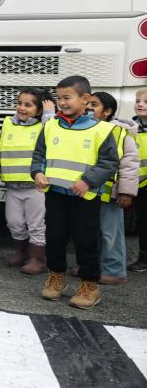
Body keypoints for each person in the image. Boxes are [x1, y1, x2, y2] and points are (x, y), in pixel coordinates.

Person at [31, 75, 119, 310]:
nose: (62, 102)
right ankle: (56, 276)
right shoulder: (49, 125)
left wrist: (88, 182)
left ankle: (90, 286)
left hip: (85, 198)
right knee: (55, 238)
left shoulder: (103, 129)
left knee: (86, 241)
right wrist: (37, 173)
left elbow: (109, 162)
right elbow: (39, 154)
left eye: (67, 98)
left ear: (86, 99)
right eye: (59, 98)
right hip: (56, 194)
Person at [0, 88, 55, 274]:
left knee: (36, 225)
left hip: (35, 187)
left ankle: (37, 259)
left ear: (39, 111)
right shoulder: (9, 124)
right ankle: (21, 252)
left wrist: (49, 115)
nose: (21, 108)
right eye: (19, 103)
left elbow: (52, 134)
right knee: (14, 222)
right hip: (13, 186)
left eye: (28, 105)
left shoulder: (43, 126)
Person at [85, 91, 138, 285]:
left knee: (110, 232)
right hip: (90, 192)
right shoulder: (87, 129)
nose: (89, 108)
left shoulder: (119, 132)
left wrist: (126, 191)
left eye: (94, 105)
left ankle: (115, 271)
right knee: (92, 231)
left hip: (111, 193)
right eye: (87, 104)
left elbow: (130, 163)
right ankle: (94, 267)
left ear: (107, 111)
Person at [128, 86, 147, 272]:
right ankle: (144, 257)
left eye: (146, 102)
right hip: (140, 183)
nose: (140, 104)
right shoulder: (130, 128)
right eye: (138, 101)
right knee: (143, 221)